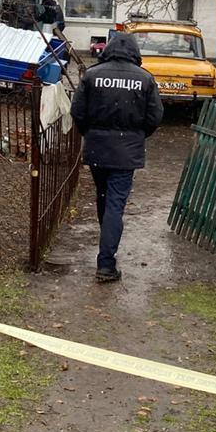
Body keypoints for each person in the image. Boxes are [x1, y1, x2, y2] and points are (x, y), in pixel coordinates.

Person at [69, 32, 163, 282]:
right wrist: (137, 136)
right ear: (134, 51)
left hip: (98, 149)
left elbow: (77, 111)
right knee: (114, 205)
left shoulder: (92, 75)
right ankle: (106, 264)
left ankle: (106, 252)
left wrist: (90, 133)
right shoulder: (145, 79)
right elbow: (154, 117)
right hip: (126, 152)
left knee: (103, 197)